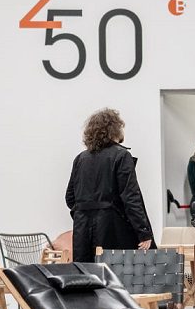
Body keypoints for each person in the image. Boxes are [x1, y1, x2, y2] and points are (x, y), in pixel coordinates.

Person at [65, 108, 153, 263]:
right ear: (115, 130)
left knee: (86, 273)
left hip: (82, 228)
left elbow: (70, 198)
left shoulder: (80, 159)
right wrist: (143, 232)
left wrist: (85, 212)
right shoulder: (121, 155)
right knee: (115, 273)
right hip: (112, 227)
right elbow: (131, 197)